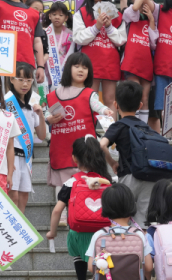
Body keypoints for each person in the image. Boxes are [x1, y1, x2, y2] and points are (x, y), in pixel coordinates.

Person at [46, 52, 112, 224]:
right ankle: (61, 212)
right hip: (61, 143)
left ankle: (79, 207)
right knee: (62, 174)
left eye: (85, 67)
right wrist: (48, 118)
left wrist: (105, 111)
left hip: (83, 147)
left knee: (82, 175)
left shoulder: (89, 93)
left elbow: (97, 105)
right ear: (69, 68)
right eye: (77, 66)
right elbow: (49, 113)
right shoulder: (55, 93)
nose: (81, 70)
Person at [46, 136, 113, 280]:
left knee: (77, 250)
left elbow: (57, 210)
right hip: (103, 234)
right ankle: (100, 276)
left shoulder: (72, 182)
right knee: (102, 259)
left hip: (78, 232)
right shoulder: (107, 181)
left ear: (74, 158)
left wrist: (52, 232)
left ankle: (81, 277)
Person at [101, 81, 161, 228]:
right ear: (140, 106)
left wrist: (112, 163)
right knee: (143, 222)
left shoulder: (118, 126)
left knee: (121, 218)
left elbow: (101, 145)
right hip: (150, 177)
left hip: (128, 176)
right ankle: (143, 248)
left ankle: (123, 247)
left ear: (116, 105)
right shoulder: (146, 127)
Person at [73, 0, 127, 120]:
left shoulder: (115, 14)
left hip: (110, 62)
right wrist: (96, 27)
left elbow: (121, 40)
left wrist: (109, 27)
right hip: (89, 63)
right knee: (90, 99)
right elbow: (78, 38)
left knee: (110, 100)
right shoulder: (81, 13)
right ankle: (89, 136)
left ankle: (111, 138)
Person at [85, 184, 153, 278]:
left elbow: (91, 267)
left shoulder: (99, 235)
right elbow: (149, 267)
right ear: (131, 205)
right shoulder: (138, 234)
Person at [6, 62, 46, 212]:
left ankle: (18, 233)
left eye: (29, 80)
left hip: (27, 157)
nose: (25, 84)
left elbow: (42, 135)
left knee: (23, 198)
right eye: (21, 79)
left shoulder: (32, 103)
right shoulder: (6, 102)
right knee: (13, 196)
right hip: (11, 155)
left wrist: (41, 115)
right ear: (11, 79)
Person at [122, 0, 158, 124]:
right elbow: (136, 7)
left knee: (144, 97)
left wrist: (151, 21)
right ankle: (133, 125)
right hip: (131, 62)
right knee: (134, 95)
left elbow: (153, 44)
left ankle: (142, 126)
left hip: (146, 63)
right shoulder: (128, 14)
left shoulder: (151, 18)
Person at [42, 2, 75, 89]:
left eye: (61, 15)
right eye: (54, 14)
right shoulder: (44, 33)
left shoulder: (70, 35)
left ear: (66, 18)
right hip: (47, 72)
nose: (57, 17)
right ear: (49, 16)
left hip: (64, 72)